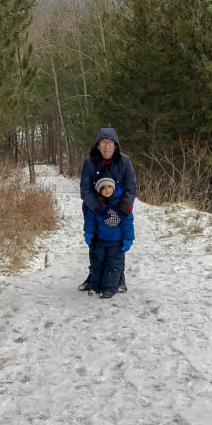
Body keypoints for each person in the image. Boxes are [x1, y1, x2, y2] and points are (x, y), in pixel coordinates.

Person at [79, 127, 137, 292]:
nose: (106, 147)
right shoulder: (89, 162)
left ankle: (119, 278)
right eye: (103, 143)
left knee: (116, 246)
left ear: (115, 146)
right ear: (97, 146)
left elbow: (131, 188)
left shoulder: (124, 161)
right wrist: (99, 208)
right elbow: (85, 190)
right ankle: (93, 277)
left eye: (109, 143)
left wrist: (123, 208)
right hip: (94, 209)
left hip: (119, 210)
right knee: (95, 244)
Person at [83, 177, 134, 298]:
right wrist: (88, 232)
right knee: (98, 263)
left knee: (114, 265)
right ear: (99, 190)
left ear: (114, 188)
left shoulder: (122, 204)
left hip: (117, 242)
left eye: (109, 187)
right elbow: (90, 219)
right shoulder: (97, 205)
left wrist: (128, 239)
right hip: (100, 240)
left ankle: (110, 288)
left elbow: (128, 222)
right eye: (103, 188)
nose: (107, 190)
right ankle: (95, 287)